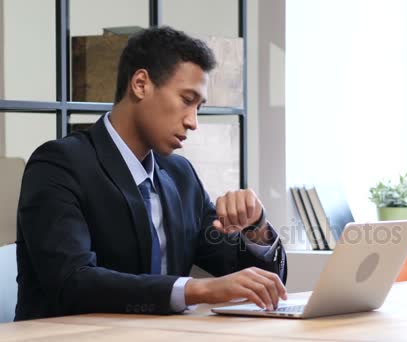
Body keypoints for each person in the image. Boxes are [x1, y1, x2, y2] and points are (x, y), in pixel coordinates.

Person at [14, 26, 287, 321]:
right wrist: (197, 290)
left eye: (199, 106)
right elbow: (72, 282)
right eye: (186, 100)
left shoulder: (180, 175)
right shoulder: (59, 165)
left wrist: (256, 227)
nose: (193, 122)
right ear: (141, 84)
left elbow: (257, 281)